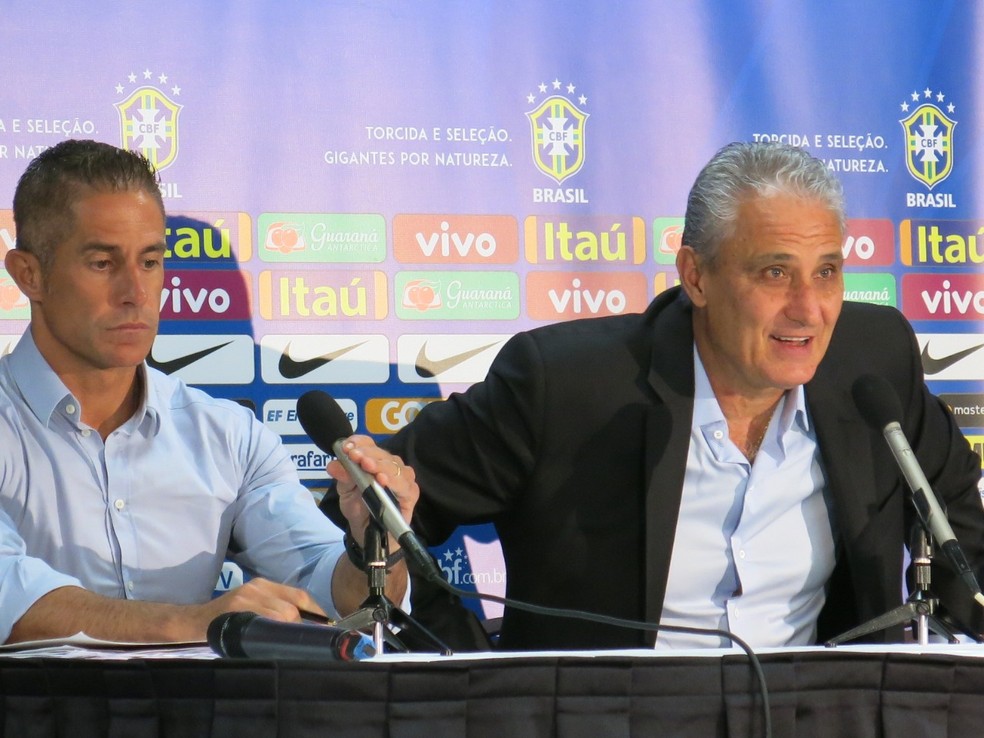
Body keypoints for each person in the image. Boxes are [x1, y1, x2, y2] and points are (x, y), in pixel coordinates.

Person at [376, 141, 984, 650]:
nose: (809, 309)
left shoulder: (870, 363)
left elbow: (956, 510)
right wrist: (469, 670)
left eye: (826, 271)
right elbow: (379, 509)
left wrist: (951, 651)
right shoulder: (563, 386)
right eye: (774, 273)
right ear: (696, 276)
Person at [0, 139, 418, 644]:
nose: (136, 291)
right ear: (30, 275)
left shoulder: (229, 436)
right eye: (102, 264)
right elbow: (9, 598)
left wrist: (374, 544)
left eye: (150, 262)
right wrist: (195, 621)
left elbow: (336, 595)